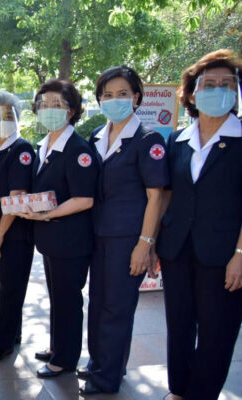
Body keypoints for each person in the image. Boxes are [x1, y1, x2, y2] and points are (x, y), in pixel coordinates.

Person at [156, 49, 242, 400]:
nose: (218, 89)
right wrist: (153, 243)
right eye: (208, 84)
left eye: (227, 84)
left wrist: (240, 255)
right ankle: (179, 390)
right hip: (177, 248)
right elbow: (168, 196)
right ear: (192, 94)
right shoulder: (177, 140)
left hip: (223, 254)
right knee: (179, 324)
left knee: (217, 330)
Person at [79, 66, 169, 395]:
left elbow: (156, 196)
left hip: (128, 237)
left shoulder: (147, 140)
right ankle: (100, 363)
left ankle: (108, 377)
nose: (114, 100)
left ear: (136, 97)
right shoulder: (97, 136)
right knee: (98, 302)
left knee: (117, 306)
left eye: (122, 94)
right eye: (107, 95)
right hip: (97, 234)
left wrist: (145, 243)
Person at [16, 79, 98, 378]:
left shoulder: (78, 150)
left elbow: (84, 198)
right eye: (44, 104)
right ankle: (57, 346)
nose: (49, 109)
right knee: (57, 297)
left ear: (72, 110)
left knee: (67, 300)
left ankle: (65, 359)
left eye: (57, 104)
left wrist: (48, 214)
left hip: (70, 240)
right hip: (52, 238)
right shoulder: (46, 145)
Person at [0, 91, 35, 364]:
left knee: (10, 289)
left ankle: (3, 344)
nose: (1, 120)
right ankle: (12, 333)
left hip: (12, 235)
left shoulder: (21, 150)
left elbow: (17, 194)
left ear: (17, 117)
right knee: (4, 287)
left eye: (8, 114)